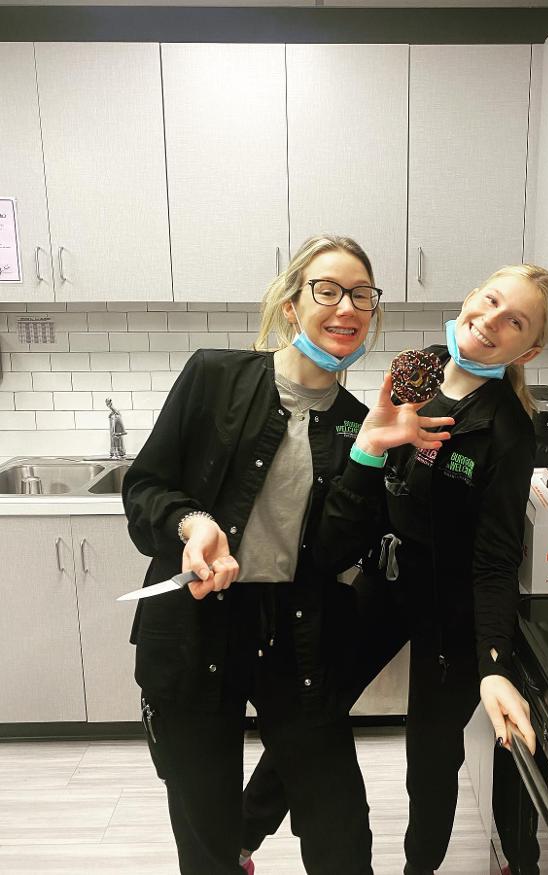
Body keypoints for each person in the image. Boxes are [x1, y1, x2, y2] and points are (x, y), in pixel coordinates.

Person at [121, 233, 452, 875]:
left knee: (340, 832)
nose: (346, 306)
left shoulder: (361, 423)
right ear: (292, 304)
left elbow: (328, 552)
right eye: (327, 290)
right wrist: (193, 524)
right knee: (208, 838)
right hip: (196, 628)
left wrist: (368, 455)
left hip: (297, 634)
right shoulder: (216, 377)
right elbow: (145, 488)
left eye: (361, 294)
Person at [240, 263, 548, 875]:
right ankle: (241, 839)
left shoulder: (509, 431)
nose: (491, 321)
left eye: (515, 321)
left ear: (529, 349)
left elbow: (496, 557)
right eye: (490, 301)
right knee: (314, 709)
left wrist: (494, 665)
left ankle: (420, 869)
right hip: (386, 579)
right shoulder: (417, 374)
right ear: (469, 296)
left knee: (431, 760)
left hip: (452, 610)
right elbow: (372, 468)